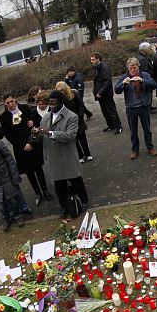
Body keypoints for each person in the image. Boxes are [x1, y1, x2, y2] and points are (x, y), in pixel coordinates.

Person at [37, 90, 89, 220]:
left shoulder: (72, 116)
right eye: (50, 103)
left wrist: (50, 133)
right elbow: (41, 138)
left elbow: (71, 135)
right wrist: (35, 135)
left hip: (67, 156)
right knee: (59, 186)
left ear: (61, 102)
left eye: (54, 103)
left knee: (76, 181)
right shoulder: (45, 118)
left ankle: (84, 201)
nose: (51, 106)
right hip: (53, 157)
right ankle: (63, 206)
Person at [0, 93, 52, 206]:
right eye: (7, 103)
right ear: (5, 104)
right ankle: (37, 192)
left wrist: (32, 123)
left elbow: (33, 122)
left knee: (38, 168)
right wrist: (23, 145)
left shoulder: (24, 108)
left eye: (12, 101)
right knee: (29, 171)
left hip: (32, 142)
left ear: (15, 100)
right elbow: (8, 135)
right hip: (20, 147)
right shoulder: (4, 117)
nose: (11, 104)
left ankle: (45, 190)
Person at [114, 57, 157, 160]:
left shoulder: (145, 75)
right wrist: (123, 83)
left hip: (144, 106)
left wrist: (142, 80)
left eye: (134, 67)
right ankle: (135, 150)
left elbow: (154, 85)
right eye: (130, 68)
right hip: (131, 107)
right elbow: (117, 90)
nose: (133, 70)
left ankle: (150, 147)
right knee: (133, 131)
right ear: (128, 68)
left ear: (138, 67)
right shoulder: (124, 77)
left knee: (147, 129)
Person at [56, 81, 93, 163]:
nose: (60, 92)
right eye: (58, 91)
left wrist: (80, 115)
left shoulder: (73, 94)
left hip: (78, 119)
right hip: (67, 122)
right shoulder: (58, 100)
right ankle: (80, 156)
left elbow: (81, 104)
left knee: (82, 138)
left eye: (61, 90)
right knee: (74, 140)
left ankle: (87, 154)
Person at [91, 53, 123, 135]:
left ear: (98, 59)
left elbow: (107, 82)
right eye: (91, 59)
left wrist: (100, 92)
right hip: (99, 94)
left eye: (93, 59)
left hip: (106, 94)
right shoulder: (95, 67)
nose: (91, 61)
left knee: (111, 110)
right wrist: (95, 91)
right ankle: (111, 125)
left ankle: (118, 127)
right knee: (105, 111)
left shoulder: (104, 67)